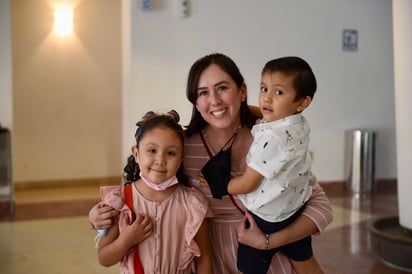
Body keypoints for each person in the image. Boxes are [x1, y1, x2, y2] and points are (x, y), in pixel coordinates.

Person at [89, 53, 333, 274]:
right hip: (211, 260)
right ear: (195, 101)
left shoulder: (271, 141)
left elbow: (319, 206)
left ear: (242, 90)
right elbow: (143, 195)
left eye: (222, 88)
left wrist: (267, 242)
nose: (214, 100)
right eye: (203, 92)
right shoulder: (179, 148)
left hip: (268, 257)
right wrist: (98, 218)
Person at [227, 56, 323, 274]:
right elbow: (264, 112)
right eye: (263, 89)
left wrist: (220, 184)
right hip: (293, 207)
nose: (266, 99)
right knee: (305, 261)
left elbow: (247, 184)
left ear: (302, 102)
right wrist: (240, 110)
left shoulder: (273, 140)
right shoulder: (296, 121)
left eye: (278, 92)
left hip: (266, 218)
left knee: (248, 268)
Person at [96, 110, 213, 274]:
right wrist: (125, 241)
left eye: (171, 153)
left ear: (181, 159)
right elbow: (104, 258)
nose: (160, 161)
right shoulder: (122, 201)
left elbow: (204, 260)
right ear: (136, 154)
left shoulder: (193, 204)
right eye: (152, 150)